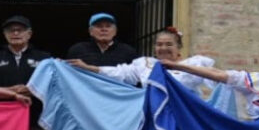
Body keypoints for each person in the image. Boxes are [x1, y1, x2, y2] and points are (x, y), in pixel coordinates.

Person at [68, 26, 215, 93]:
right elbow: (120, 73)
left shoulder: (194, 64)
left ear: (179, 48)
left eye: (169, 44)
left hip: (187, 117)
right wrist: (88, 67)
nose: (163, 48)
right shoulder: (146, 64)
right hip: (155, 119)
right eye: (159, 44)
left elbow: (218, 80)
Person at [66, 13, 138, 66]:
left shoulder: (128, 52)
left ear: (115, 31)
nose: (104, 29)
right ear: (90, 31)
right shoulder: (78, 50)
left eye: (108, 26)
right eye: (99, 26)